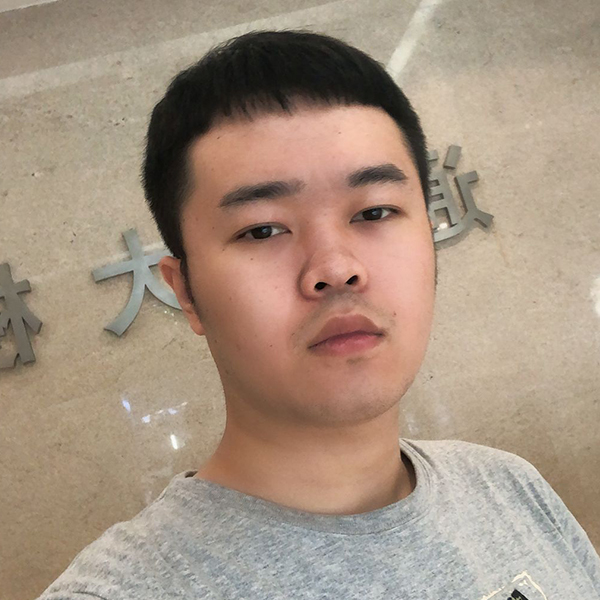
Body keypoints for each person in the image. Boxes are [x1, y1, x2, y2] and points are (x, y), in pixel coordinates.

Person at [38, 29, 599, 599]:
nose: (335, 268)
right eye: (263, 230)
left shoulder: (507, 485)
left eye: (375, 212)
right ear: (186, 292)